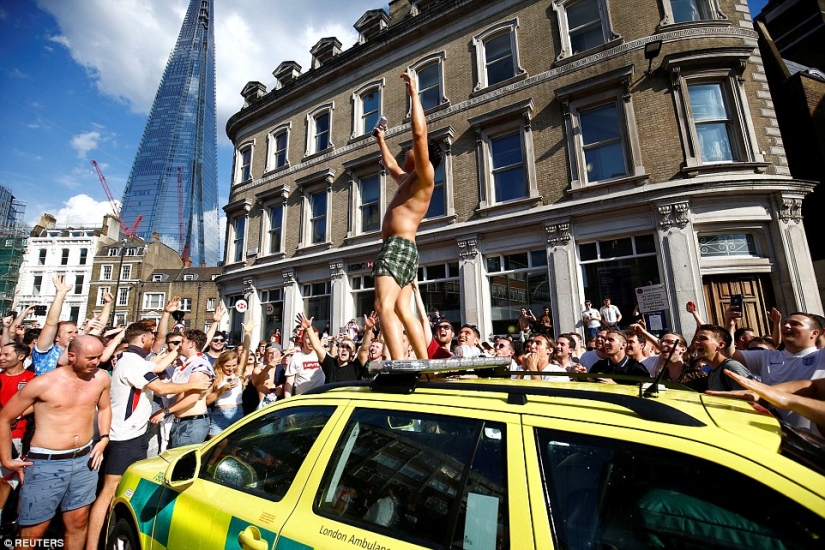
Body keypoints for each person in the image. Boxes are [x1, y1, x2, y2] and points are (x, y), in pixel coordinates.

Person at [86, 323, 210, 550]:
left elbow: (158, 364)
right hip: (125, 436)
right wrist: (197, 384)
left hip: (132, 434)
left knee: (119, 490)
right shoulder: (132, 363)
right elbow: (161, 388)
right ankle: (93, 545)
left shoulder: (132, 359)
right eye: (152, 337)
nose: (154, 341)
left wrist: (177, 347)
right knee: (109, 492)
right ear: (143, 338)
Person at [0, 335, 111, 550]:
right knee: (33, 530)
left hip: (84, 460)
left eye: (98, 357)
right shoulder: (43, 383)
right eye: (90, 357)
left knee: (78, 522)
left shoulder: (101, 378)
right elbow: (5, 417)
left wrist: (104, 438)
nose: (96, 362)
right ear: (71, 356)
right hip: (46, 463)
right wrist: (7, 459)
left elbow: (105, 408)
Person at [372, 72, 441, 361]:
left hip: (398, 247)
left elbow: (420, 135)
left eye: (411, 151)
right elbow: (389, 165)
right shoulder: (407, 180)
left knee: (382, 306)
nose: (408, 152)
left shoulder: (425, 177)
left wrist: (414, 94)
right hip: (404, 249)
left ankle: (399, 364)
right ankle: (424, 364)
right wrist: (381, 140)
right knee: (402, 310)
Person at [151, 329, 214, 449]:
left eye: (182, 341)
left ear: (191, 344)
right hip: (182, 421)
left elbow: (192, 398)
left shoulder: (199, 365)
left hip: (192, 423)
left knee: (182, 465)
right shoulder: (188, 365)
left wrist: (165, 411)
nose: (179, 345)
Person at [0, 342, 35, 518]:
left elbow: (37, 403)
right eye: (1, 354)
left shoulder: (31, 379)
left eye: (6, 355)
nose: (1, 358)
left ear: (20, 357)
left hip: (15, 436)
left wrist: (16, 415)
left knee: (6, 480)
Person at [693, 324, 752, 391]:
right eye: (697, 339)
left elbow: (751, 395)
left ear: (721, 345)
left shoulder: (731, 367)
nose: (696, 342)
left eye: (703, 338)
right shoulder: (712, 372)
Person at [283, 322, 326, 398]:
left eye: (313, 338)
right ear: (303, 339)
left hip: (320, 399)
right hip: (302, 400)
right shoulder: (296, 358)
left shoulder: (323, 355)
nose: (311, 341)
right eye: (307, 338)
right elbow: (289, 383)